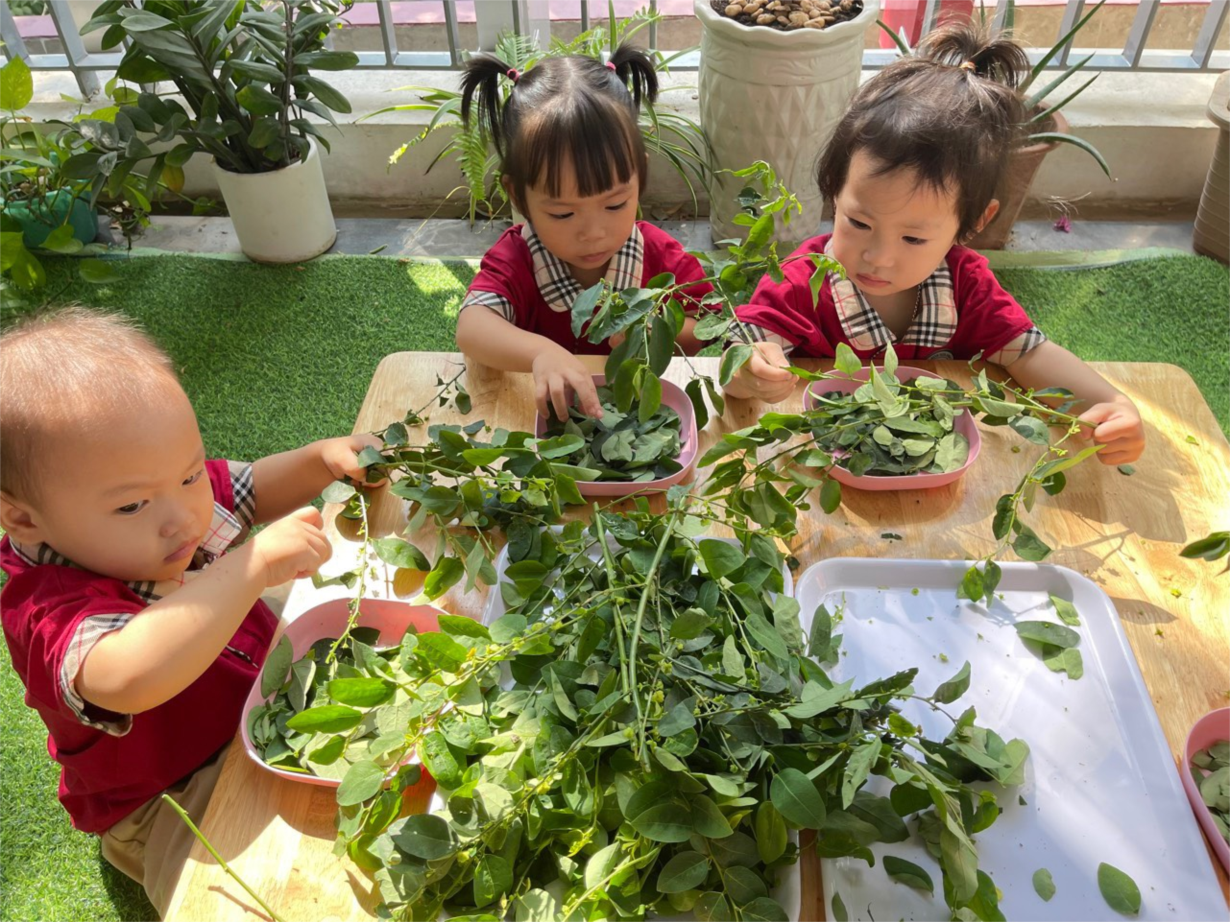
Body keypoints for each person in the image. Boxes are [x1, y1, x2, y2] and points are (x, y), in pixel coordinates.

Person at [0, 308, 379, 917]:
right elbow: (128, 676)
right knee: (259, 889)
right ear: (23, 518)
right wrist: (249, 565)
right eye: (131, 506)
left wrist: (320, 459)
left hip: (251, 683)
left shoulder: (165, 501)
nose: (183, 517)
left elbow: (251, 486)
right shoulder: (46, 606)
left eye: (188, 475)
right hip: (171, 788)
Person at [724, 21, 1144, 466]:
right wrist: (748, 370)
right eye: (858, 222)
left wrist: (1111, 405)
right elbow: (736, 360)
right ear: (834, 193)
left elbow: (1030, 354)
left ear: (974, 223)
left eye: (913, 237)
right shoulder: (798, 283)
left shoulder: (968, 287)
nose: (878, 256)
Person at [454, 45, 713, 422]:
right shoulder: (518, 258)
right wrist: (541, 353)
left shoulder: (660, 257)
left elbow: (706, 326)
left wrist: (657, 330)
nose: (593, 233)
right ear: (518, 195)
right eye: (562, 213)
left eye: (615, 205)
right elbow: (472, 328)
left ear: (639, 178)